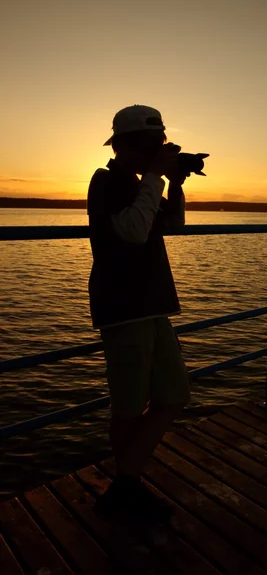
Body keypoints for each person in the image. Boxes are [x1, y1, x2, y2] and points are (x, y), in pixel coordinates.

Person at [87, 105, 190, 521]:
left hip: (153, 303)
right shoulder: (106, 181)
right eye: (149, 145)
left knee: (174, 394)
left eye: (158, 145)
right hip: (124, 305)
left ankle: (125, 482)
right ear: (124, 145)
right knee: (129, 405)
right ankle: (126, 488)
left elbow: (173, 224)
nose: (155, 153)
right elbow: (130, 232)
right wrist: (153, 178)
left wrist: (176, 184)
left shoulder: (139, 183)